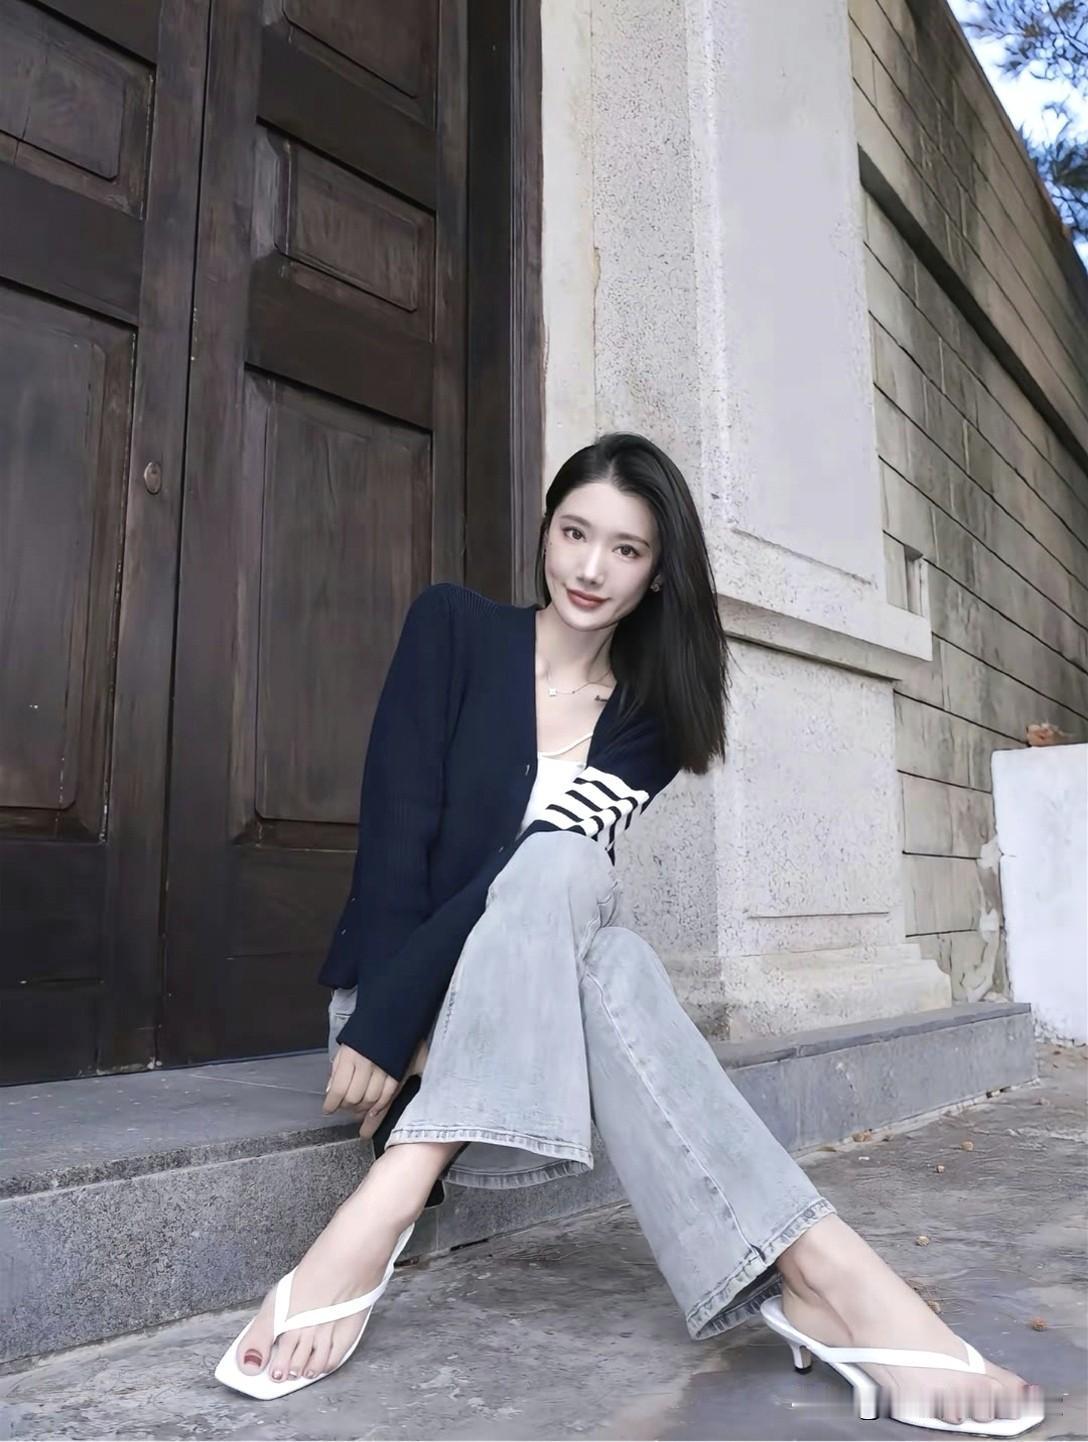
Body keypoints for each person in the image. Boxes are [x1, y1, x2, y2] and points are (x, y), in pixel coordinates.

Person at [215, 434, 1043, 1433]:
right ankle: (831, 1280)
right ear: (545, 530)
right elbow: (394, 843)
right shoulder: (451, 628)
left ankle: (385, 1202)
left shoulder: (648, 718)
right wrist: (393, 1018)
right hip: (399, 1026)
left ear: (657, 573)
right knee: (598, 933)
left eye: (625, 549)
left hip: (515, 1052)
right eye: (574, 533)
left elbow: (533, 874)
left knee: (565, 865)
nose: (590, 567)